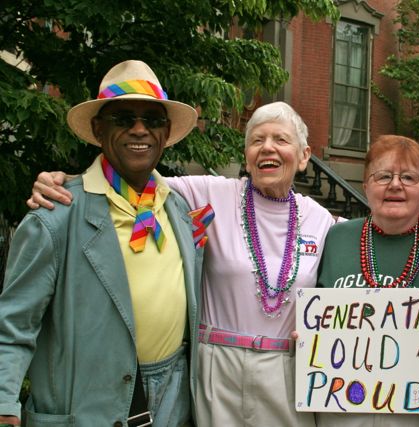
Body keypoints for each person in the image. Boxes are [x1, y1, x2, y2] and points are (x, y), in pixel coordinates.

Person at [27, 101, 336, 426]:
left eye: (281, 140)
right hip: (217, 370)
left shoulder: (322, 220)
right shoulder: (207, 193)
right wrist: (64, 180)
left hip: (287, 371)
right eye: (257, 140)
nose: (267, 148)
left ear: (304, 156)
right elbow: (126, 180)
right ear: (246, 155)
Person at [0, 60, 202, 426]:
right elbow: (12, 327)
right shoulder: (55, 216)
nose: (139, 130)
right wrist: (4, 407)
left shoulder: (178, 208)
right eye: (124, 118)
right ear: (98, 127)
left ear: (166, 132)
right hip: (89, 406)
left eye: (152, 120)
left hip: (173, 399)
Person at [316, 135, 419, 427]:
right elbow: (318, 312)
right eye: (383, 176)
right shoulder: (335, 237)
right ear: (366, 185)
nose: (395, 185)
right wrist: (310, 340)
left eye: (409, 176)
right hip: (341, 407)